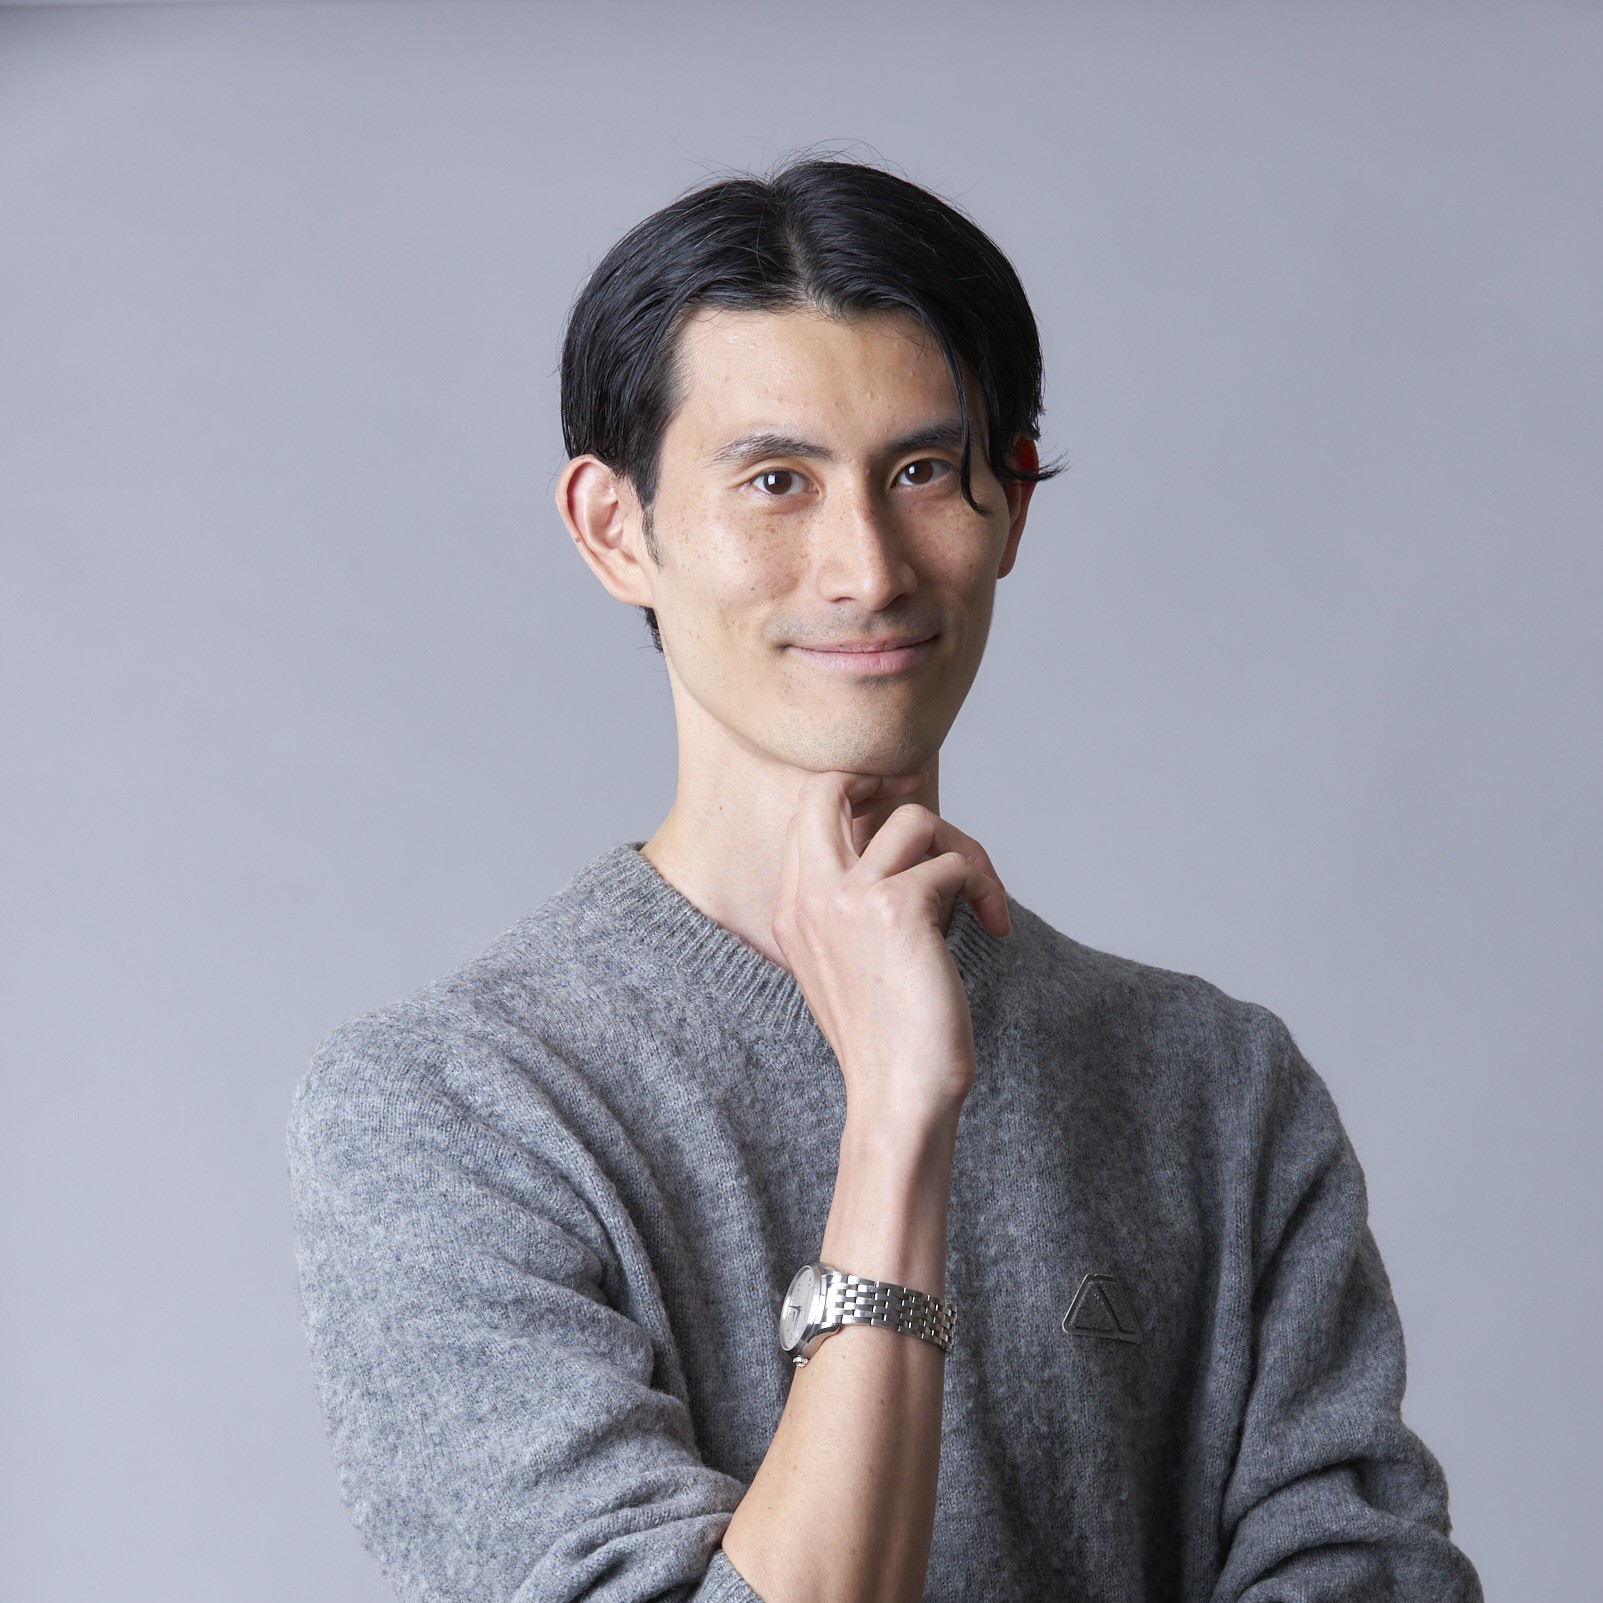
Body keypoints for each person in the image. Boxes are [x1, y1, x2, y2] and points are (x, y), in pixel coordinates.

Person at [288, 158, 1482, 1603]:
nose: (866, 568)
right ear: (616, 529)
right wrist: (897, 1119)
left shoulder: (1217, 1088)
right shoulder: (454, 1112)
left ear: (1013, 502)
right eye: (775, 482)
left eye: (922, 472)